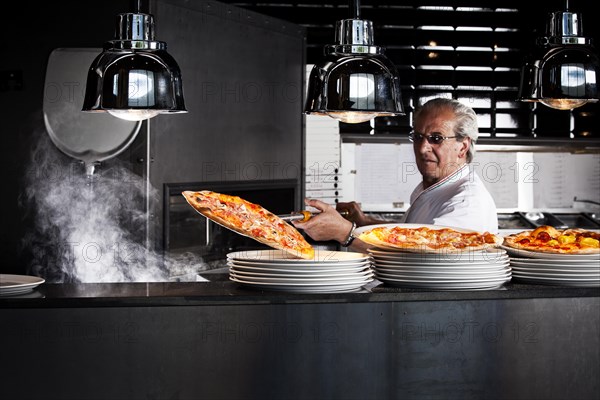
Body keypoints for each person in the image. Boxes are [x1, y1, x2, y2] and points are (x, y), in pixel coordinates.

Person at [293, 97, 498, 251]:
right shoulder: (439, 187)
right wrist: (363, 223)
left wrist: (345, 233)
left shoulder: (466, 202)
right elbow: (411, 237)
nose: (423, 148)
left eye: (436, 138)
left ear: (463, 147)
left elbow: (420, 263)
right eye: (418, 137)